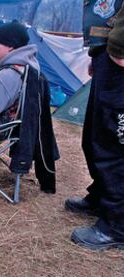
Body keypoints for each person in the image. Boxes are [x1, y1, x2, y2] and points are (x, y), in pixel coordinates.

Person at [65, 1, 124, 250]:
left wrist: (119, 48)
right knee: (94, 136)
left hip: (118, 58)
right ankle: (101, 197)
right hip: (106, 56)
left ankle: (117, 225)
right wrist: (98, 53)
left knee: (114, 144)